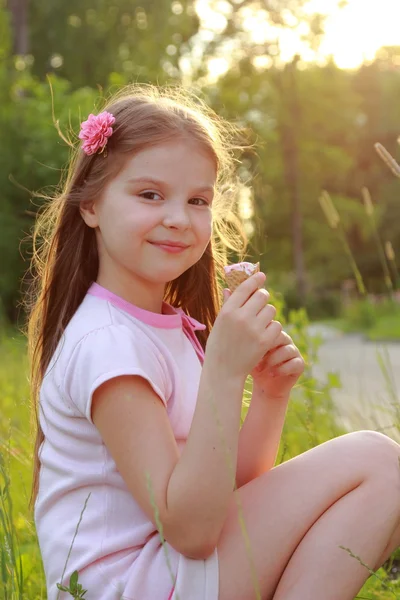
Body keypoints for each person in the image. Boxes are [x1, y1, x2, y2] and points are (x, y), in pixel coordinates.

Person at [26, 84, 400, 600]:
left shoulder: (159, 326)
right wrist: (224, 368)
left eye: (197, 199)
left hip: (170, 569)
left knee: (381, 498)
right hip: (132, 585)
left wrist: (269, 393)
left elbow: (227, 493)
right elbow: (192, 531)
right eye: (150, 194)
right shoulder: (108, 342)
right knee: (379, 463)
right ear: (90, 204)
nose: (178, 217)